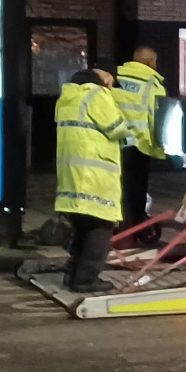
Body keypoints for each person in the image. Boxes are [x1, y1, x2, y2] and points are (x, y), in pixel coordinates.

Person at [55, 68, 128, 292]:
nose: (112, 87)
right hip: (96, 177)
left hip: (71, 176)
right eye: (111, 82)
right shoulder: (98, 95)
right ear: (102, 80)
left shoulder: (66, 98)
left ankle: (72, 274)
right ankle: (86, 280)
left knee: (81, 230)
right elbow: (117, 129)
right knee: (99, 232)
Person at [113, 46, 167, 234]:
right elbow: (157, 118)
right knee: (135, 187)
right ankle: (134, 225)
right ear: (149, 62)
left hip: (113, 141)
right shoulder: (152, 85)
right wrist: (160, 147)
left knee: (116, 184)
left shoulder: (115, 78)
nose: (156, 65)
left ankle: (116, 221)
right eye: (155, 61)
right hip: (139, 145)